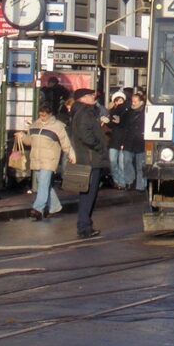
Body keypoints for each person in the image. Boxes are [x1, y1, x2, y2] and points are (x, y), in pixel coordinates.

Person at [23, 101, 76, 221]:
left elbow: (65, 143)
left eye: (45, 115)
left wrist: (71, 155)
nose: (42, 117)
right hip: (36, 159)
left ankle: (38, 209)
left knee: (43, 183)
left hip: (49, 159)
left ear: (50, 114)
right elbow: (29, 141)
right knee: (45, 184)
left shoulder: (58, 126)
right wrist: (22, 137)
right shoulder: (34, 125)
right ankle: (55, 206)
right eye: (40, 114)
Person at [67, 88, 109, 239]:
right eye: (91, 95)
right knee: (88, 194)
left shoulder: (82, 111)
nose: (94, 97)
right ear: (83, 98)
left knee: (87, 193)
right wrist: (99, 146)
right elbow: (86, 135)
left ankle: (85, 224)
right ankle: (84, 226)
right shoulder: (85, 112)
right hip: (90, 158)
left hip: (88, 157)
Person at [106, 90, 130, 189]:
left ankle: (122, 183)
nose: (119, 102)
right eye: (117, 100)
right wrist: (107, 121)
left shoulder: (127, 111)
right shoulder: (112, 111)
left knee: (121, 163)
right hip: (114, 140)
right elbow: (111, 125)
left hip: (124, 140)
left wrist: (120, 122)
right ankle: (116, 180)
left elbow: (128, 125)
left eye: (121, 100)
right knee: (112, 161)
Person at [125, 91, 147, 191]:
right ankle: (130, 181)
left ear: (141, 102)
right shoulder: (128, 112)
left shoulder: (146, 112)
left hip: (141, 141)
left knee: (140, 165)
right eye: (132, 101)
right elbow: (123, 125)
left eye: (135, 102)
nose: (133, 103)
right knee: (127, 161)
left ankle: (140, 186)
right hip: (129, 141)